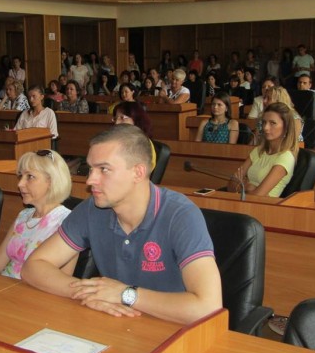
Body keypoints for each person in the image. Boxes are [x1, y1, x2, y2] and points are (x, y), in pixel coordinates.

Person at [21, 125, 221, 323]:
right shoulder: (92, 209)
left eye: (104, 169)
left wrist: (126, 295)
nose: (90, 180)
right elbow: (33, 267)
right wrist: (91, 292)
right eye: (90, 169)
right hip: (118, 325)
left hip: (173, 329)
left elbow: (208, 308)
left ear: (138, 173)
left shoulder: (180, 215)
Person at [0, 150, 73, 279]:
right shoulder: (23, 216)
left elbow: (61, 280)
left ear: (51, 181)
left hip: (33, 291)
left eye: (30, 176)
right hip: (2, 286)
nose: (20, 184)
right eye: (21, 176)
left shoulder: (68, 222)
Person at [230, 102, 298, 197]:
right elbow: (231, 184)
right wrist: (248, 188)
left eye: (272, 123)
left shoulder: (286, 157)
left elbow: (258, 195)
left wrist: (244, 186)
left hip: (264, 205)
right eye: (264, 122)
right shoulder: (258, 150)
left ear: (286, 127)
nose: (265, 128)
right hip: (243, 201)